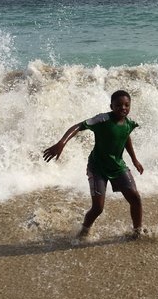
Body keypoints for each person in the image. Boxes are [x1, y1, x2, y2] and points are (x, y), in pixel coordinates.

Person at [43, 90, 145, 239]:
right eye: (118, 105)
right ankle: (84, 231)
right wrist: (61, 143)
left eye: (126, 105)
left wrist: (134, 160)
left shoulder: (128, 123)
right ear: (111, 106)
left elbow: (125, 137)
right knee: (98, 208)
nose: (123, 108)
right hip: (97, 168)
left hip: (117, 166)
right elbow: (78, 126)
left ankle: (137, 231)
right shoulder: (102, 120)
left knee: (135, 198)